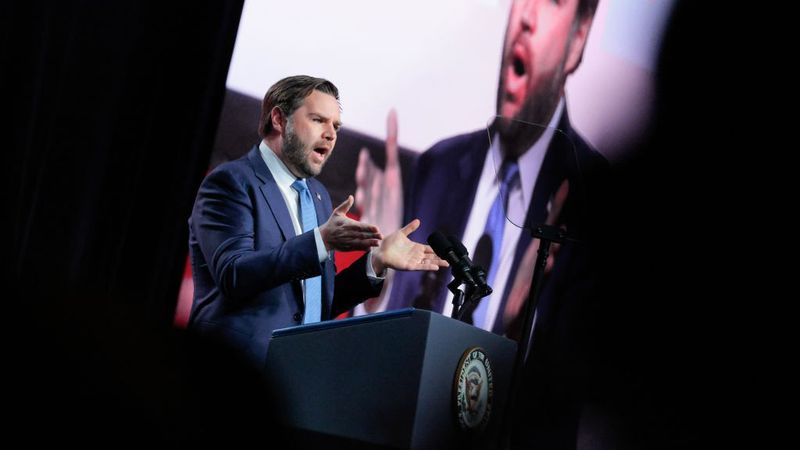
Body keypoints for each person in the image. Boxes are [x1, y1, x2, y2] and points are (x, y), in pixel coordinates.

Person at [379, 0, 607, 338]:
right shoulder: (436, 169)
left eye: (552, 2)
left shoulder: (599, 204)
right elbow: (394, 340)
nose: (526, 17)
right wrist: (377, 286)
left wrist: (522, 332)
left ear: (578, 39)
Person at [187, 75, 446, 368]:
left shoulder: (317, 197)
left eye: (336, 126)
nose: (331, 134)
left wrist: (375, 262)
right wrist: (320, 241)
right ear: (278, 119)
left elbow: (317, 304)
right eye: (318, 120)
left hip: (298, 376)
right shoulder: (232, 182)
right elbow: (233, 275)